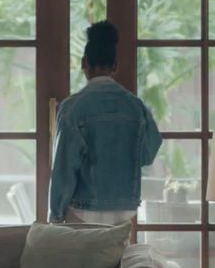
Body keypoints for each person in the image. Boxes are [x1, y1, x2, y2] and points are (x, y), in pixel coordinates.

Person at [48, 21, 163, 224]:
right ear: (115, 66)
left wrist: (56, 215)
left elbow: (64, 168)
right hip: (125, 208)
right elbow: (148, 153)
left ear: (84, 63)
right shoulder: (136, 106)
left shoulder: (73, 108)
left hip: (84, 208)